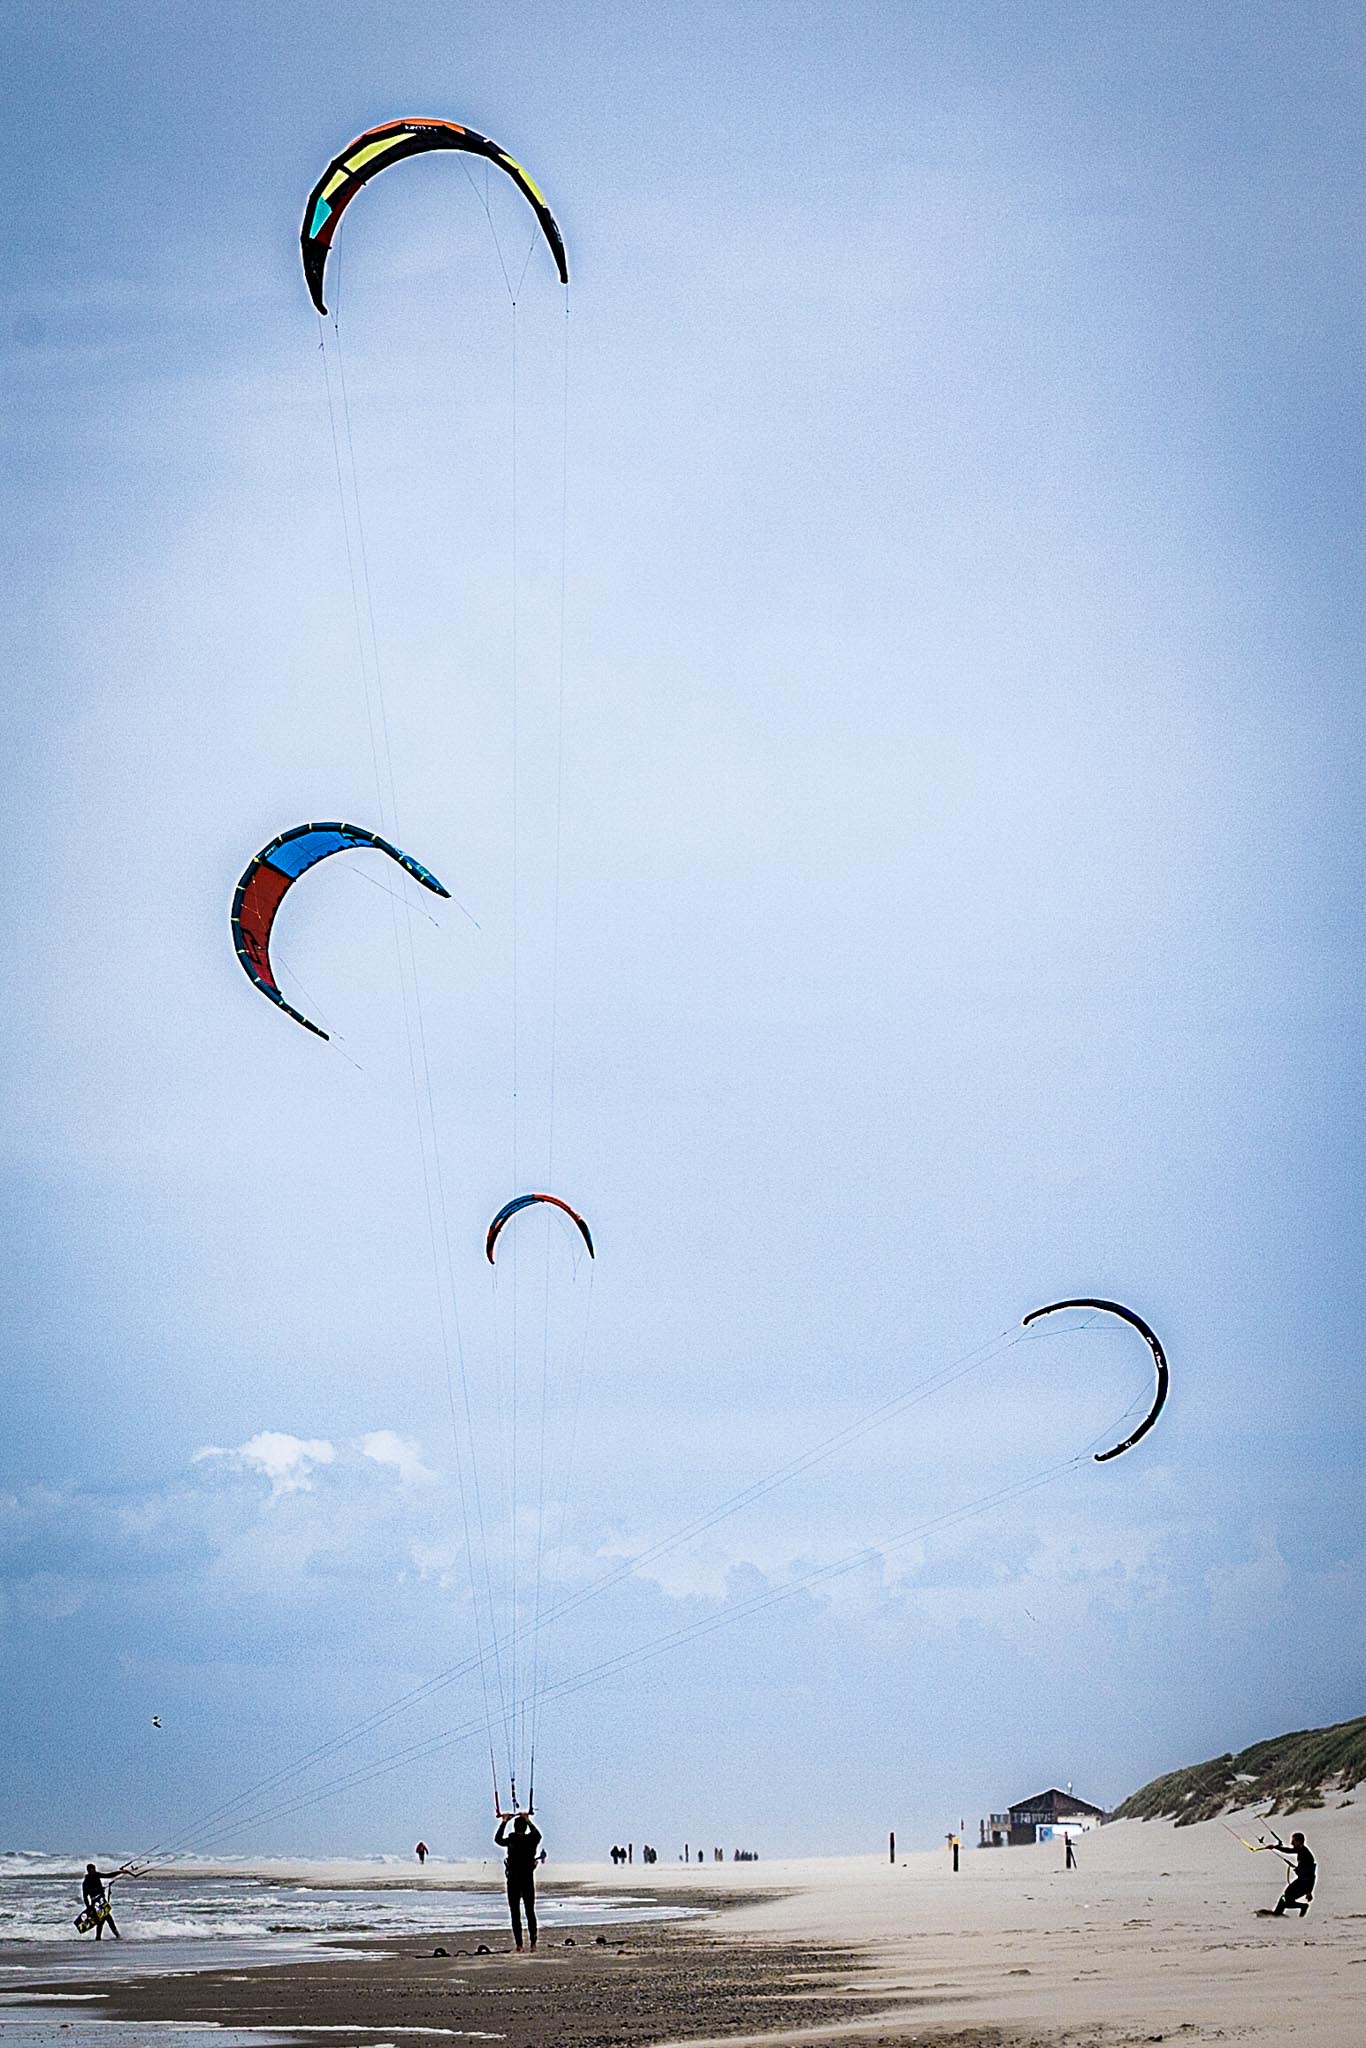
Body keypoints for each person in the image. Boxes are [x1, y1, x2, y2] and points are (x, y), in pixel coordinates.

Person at [495, 1812, 543, 1952]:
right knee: (530, 1911)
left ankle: (519, 1945)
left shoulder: (512, 1839)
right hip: (527, 1879)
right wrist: (528, 1820)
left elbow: (498, 1839)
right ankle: (533, 1944)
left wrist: (504, 1822)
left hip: (513, 1880)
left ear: (515, 1827)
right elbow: (538, 1835)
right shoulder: (531, 1840)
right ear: (525, 1828)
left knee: (515, 1912)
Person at [1271, 1832, 1315, 1916]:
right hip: (1300, 1882)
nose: (1291, 1843)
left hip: (1304, 1884)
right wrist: (1275, 1847)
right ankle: (1278, 1913)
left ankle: (1277, 1914)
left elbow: (1312, 1875)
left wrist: (1309, 1891)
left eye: (1293, 1841)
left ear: (1299, 1842)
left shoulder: (1306, 1854)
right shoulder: (1301, 1850)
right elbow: (1289, 1850)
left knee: (1284, 1899)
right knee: (1285, 1899)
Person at [82, 1864, 121, 1940]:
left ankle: (99, 1937)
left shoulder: (97, 1875)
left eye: (94, 1870)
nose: (93, 1872)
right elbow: (85, 1896)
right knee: (107, 1919)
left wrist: (120, 1872)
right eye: (91, 1871)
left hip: (102, 1901)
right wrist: (89, 1907)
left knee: (102, 1921)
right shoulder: (86, 1882)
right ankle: (117, 1936)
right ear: (88, 1871)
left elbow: (108, 1875)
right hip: (95, 1903)